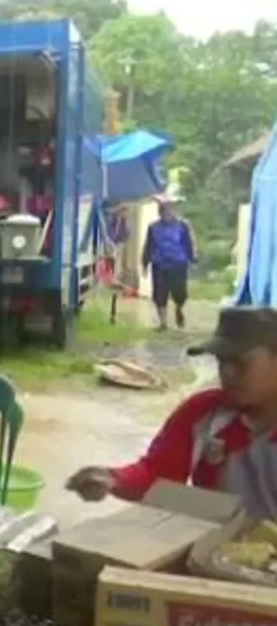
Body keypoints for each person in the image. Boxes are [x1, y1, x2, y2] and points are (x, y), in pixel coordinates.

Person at [67, 307, 277, 519]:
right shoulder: (202, 413)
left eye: (241, 362)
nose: (228, 372)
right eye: (222, 361)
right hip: (215, 545)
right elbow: (158, 474)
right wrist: (114, 479)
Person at [141, 195, 197, 330]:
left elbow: (188, 243)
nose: (166, 213)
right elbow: (149, 245)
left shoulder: (183, 226)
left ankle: (179, 309)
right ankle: (163, 323)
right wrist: (145, 263)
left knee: (180, 293)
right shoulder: (153, 227)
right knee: (159, 294)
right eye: (163, 210)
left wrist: (193, 258)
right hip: (159, 264)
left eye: (169, 210)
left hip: (178, 263)